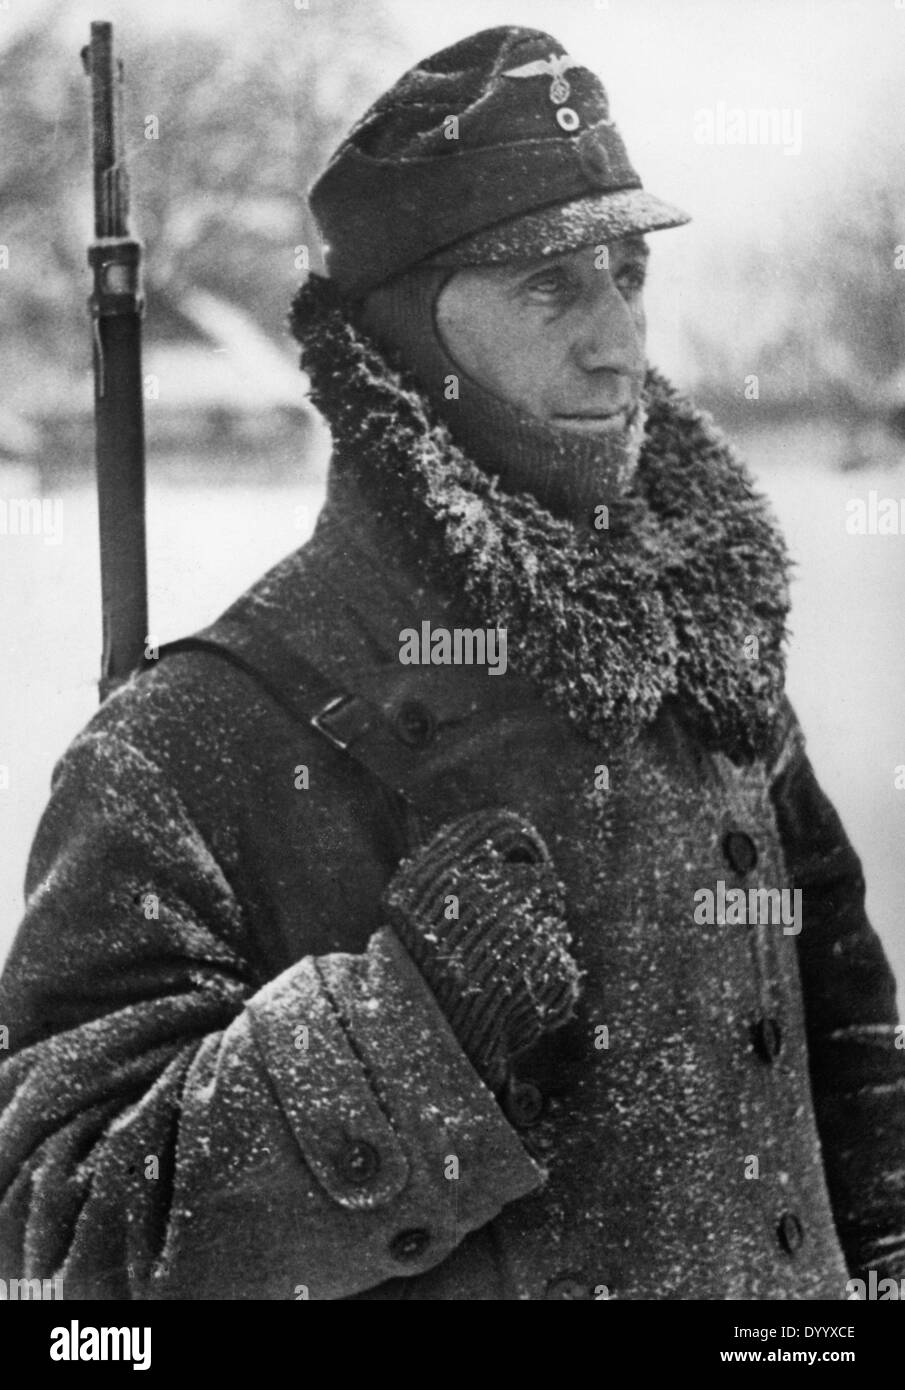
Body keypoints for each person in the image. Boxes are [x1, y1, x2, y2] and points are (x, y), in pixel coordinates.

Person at [1, 24, 902, 1301]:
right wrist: (398, 1040)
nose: (619, 343)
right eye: (549, 286)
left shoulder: (699, 644)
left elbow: (840, 1021)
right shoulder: (192, 739)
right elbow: (66, 1238)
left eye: (626, 273)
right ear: (401, 344)